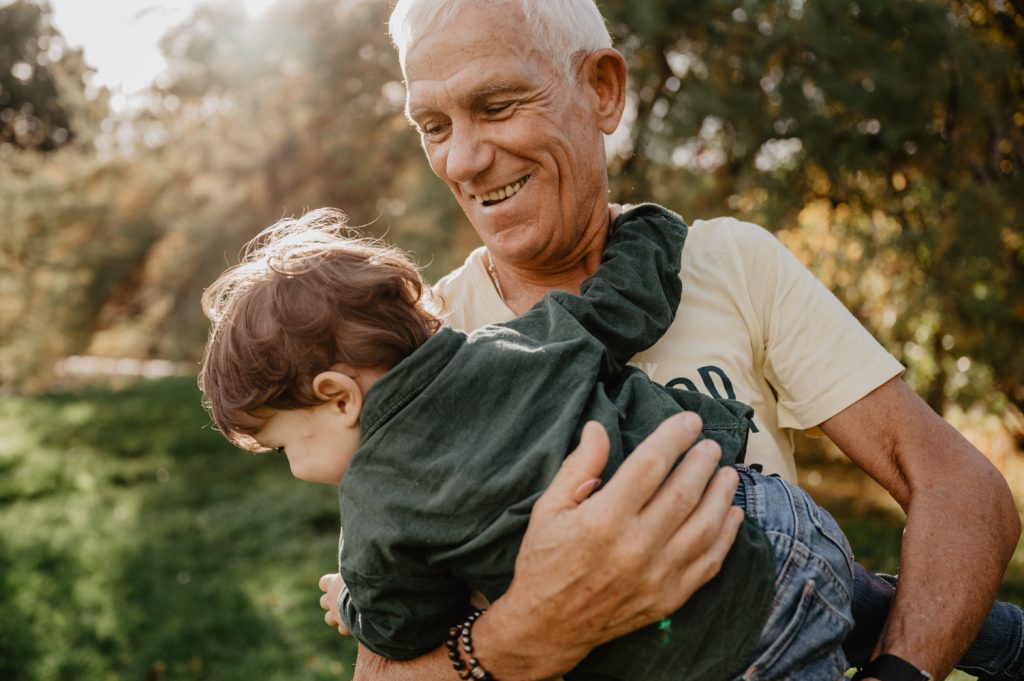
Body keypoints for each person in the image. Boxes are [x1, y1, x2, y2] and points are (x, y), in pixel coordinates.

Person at [312, 1, 1021, 680]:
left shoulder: (731, 264)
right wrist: (523, 633)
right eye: (433, 125)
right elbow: (383, 664)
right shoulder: (423, 350)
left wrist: (897, 672)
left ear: (602, 90)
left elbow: (958, 485)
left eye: (496, 106)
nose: (463, 159)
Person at [199, 203, 858, 679]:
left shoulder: (377, 502)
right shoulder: (518, 341)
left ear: (337, 395)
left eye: (283, 445)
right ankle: (869, 599)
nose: (293, 468)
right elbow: (626, 302)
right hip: (774, 516)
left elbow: (402, 623)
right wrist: (647, 226)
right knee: (832, 592)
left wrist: (349, 599)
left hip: (736, 628)